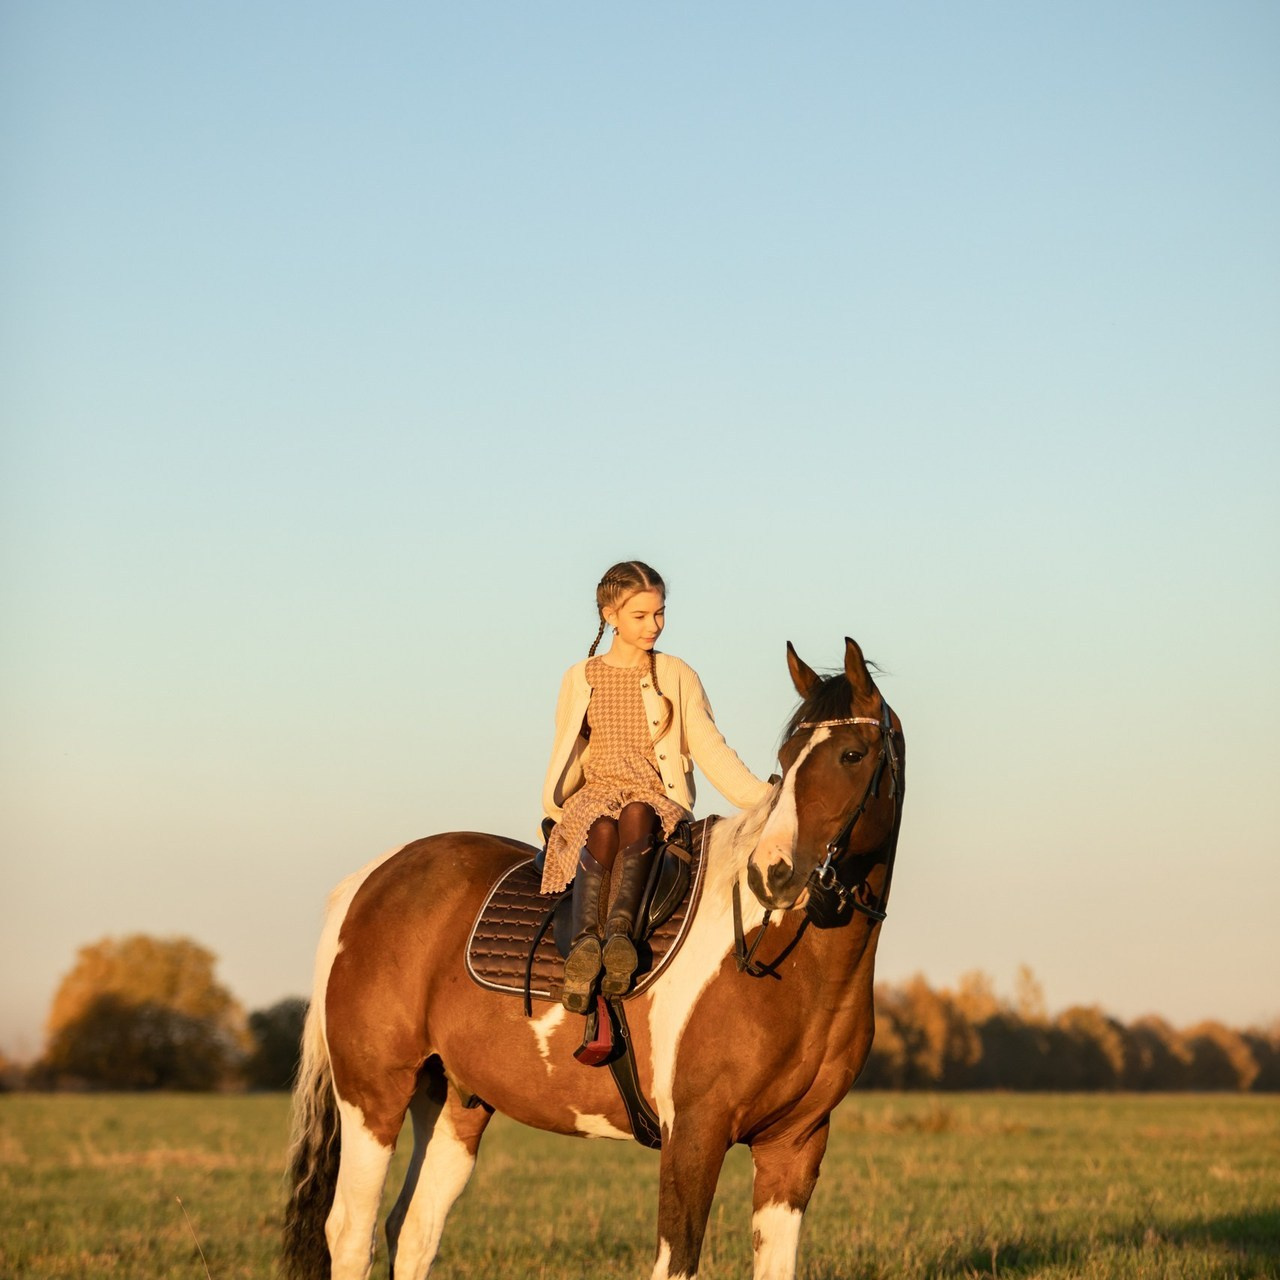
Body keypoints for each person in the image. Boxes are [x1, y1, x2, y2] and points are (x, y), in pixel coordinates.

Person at [542, 560, 773, 1014]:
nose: (655, 625)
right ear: (610, 616)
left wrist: (766, 800)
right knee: (602, 826)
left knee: (636, 816)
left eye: (660, 613)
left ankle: (622, 936)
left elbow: (710, 747)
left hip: (652, 796)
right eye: (641, 616)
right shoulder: (579, 677)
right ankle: (587, 944)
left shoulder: (676, 674)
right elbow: (566, 750)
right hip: (596, 794)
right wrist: (555, 806)